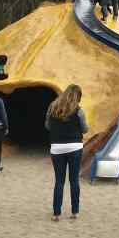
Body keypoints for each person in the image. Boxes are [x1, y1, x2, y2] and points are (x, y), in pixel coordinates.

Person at [44, 84, 88, 221]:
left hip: (57, 148)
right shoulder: (79, 111)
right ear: (77, 97)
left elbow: (47, 126)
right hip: (75, 147)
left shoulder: (52, 108)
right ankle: (75, 212)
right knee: (74, 180)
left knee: (59, 181)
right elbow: (85, 129)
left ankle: (57, 213)